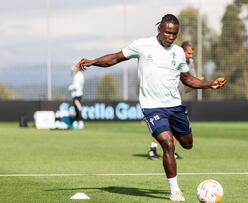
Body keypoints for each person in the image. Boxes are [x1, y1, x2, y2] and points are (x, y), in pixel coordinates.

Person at [78, 14, 226, 202]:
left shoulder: (179, 52)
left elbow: (187, 78)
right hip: (152, 107)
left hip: (175, 106)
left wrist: (210, 84)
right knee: (167, 143)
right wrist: (93, 62)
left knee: (187, 144)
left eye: (174, 33)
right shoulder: (142, 45)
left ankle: (170, 128)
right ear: (159, 29)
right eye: (167, 32)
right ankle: (175, 191)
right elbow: (115, 58)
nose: (171, 37)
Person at [147, 40, 197, 160]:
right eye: (189, 53)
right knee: (164, 126)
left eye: (192, 54)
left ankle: (171, 151)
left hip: (176, 99)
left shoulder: (190, 63)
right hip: (163, 99)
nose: (190, 56)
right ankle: (153, 149)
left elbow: (190, 81)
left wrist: (198, 81)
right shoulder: (173, 58)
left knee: (174, 127)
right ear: (182, 52)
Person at [68, 65, 84, 129]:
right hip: (76, 94)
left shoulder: (78, 76)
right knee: (76, 109)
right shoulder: (77, 75)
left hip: (77, 95)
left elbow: (76, 86)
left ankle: (79, 122)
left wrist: (70, 87)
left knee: (78, 108)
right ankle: (77, 122)